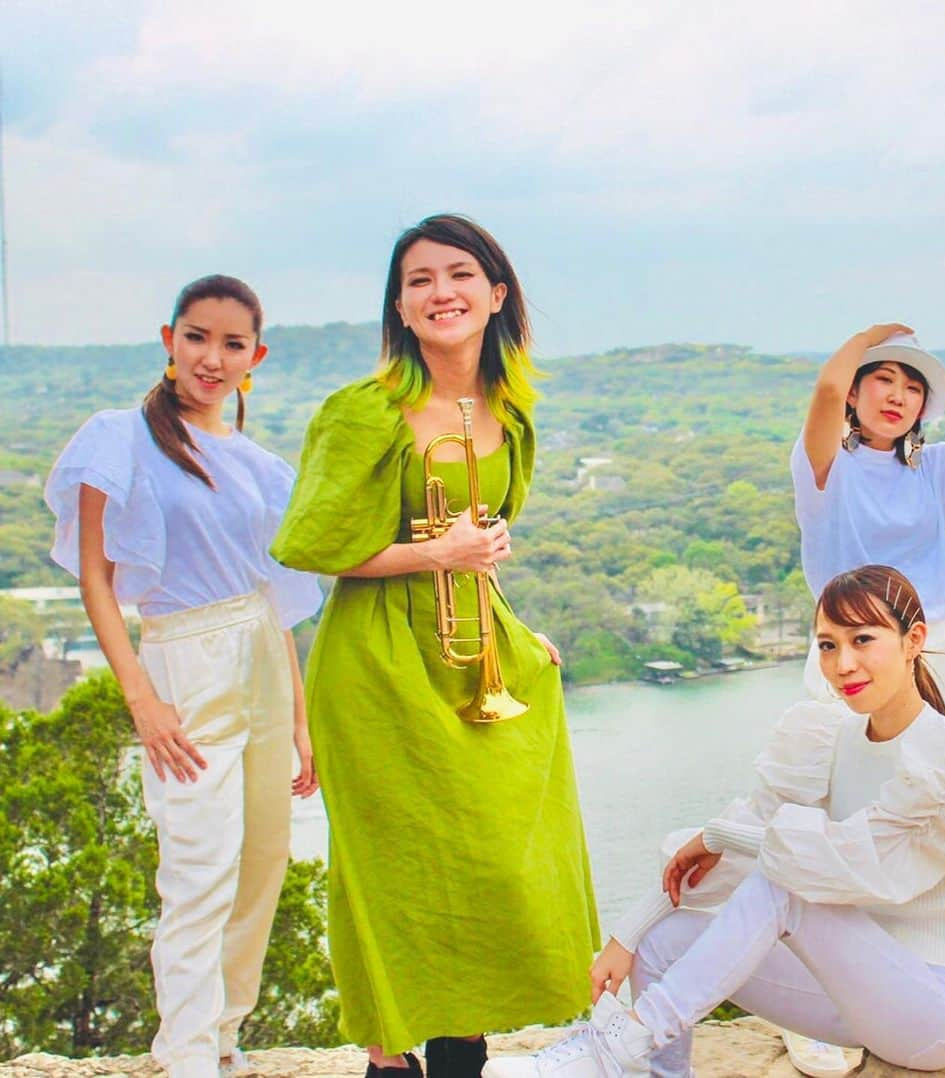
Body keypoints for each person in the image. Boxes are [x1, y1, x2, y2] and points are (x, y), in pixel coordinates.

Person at [270, 214, 600, 1078]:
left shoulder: (507, 414)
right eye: (419, 280)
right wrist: (436, 554)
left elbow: (482, 544)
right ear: (401, 307)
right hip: (375, 662)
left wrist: (518, 628)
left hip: (466, 646)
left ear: (496, 296)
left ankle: (465, 1040)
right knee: (393, 866)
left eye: (459, 275)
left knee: (488, 852)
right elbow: (310, 544)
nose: (439, 292)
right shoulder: (365, 412)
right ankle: (391, 1057)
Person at [486, 564, 945, 1077]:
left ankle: (627, 1042)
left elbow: (834, 860)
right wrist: (626, 937)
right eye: (828, 645)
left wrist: (717, 836)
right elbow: (755, 832)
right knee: (665, 941)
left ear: (912, 641)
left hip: (930, 1010)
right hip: (849, 995)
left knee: (787, 881)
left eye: (863, 640)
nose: (843, 665)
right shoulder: (829, 737)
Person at [45, 275, 323, 1078]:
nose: (213, 356)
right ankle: (187, 1054)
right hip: (184, 656)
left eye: (233, 344)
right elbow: (96, 578)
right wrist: (142, 697)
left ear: (255, 358)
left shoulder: (262, 467)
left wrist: (301, 720)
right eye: (197, 336)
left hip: (263, 658)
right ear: (169, 339)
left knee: (263, 862)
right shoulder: (118, 437)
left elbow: (280, 602)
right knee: (198, 868)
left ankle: (226, 1036)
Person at [791, 324, 945, 727]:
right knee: (841, 770)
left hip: (933, 643)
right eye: (883, 379)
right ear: (853, 391)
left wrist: (942, 391)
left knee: (933, 775)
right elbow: (828, 390)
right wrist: (869, 336)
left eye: (914, 389)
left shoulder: (933, 468)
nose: (897, 396)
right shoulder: (827, 465)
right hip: (850, 643)